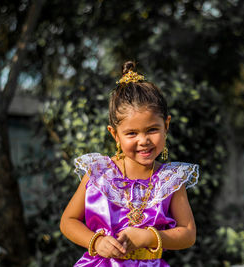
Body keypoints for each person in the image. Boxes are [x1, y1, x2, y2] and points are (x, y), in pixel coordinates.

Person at [60, 61, 199, 267]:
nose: (143, 141)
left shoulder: (171, 180)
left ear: (166, 125)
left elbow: (188, 233)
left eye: (152, 130)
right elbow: (68, 221)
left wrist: (149, 237)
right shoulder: (99, 173)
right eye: (132, 133)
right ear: (115, 134)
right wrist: (95, 241)